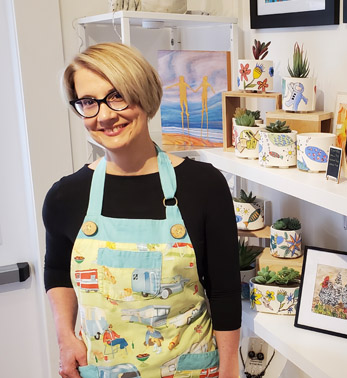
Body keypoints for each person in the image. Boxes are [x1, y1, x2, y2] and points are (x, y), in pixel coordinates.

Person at [43, 42, 240, 378]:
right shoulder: (66, 196)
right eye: (88, 102)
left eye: (117, 95)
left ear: (144, 95)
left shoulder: (203, 186)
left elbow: (223, 288)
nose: (104, 116)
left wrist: (229, 368)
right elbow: (59, 270)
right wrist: (65, 338)